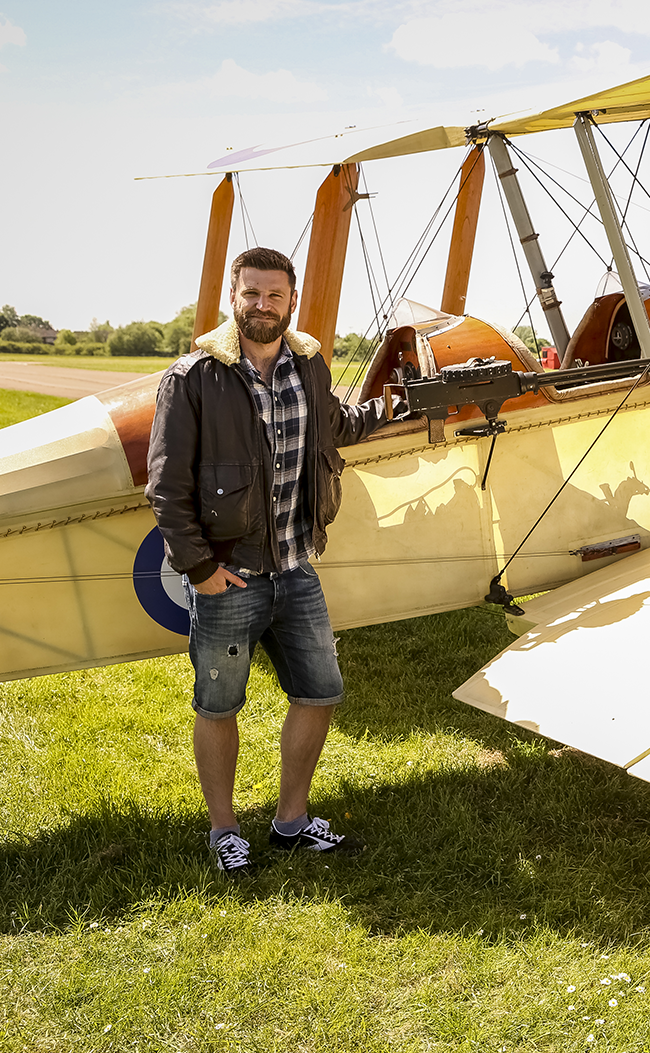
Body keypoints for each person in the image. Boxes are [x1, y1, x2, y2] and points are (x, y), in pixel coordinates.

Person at [146, 247, 400, 875]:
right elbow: (165, 486)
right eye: (251, 294)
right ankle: (224, 828)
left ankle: (290, 820)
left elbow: (335, 425)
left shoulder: (309, 366)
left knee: (321, 692)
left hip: (296, 565)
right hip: (230, 576)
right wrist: (201, 570)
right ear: (234, 298)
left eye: (274, 296)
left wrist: (392, 407)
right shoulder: (193, 377)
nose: (263, 306)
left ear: (292, 300)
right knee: (218, 706)